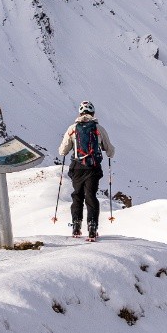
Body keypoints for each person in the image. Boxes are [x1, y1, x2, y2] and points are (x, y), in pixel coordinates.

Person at [57, 100, 115, 239]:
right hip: (93, 168)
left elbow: (63, 151)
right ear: (93, 113)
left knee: (77, 195)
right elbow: (110, 150)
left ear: (80, 113)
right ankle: (92, 226)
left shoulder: (72, 128)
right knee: (91, 196)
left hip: (77, 168)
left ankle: (76, 226)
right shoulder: (98, 128)